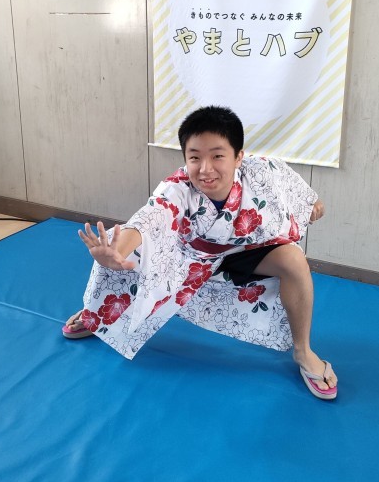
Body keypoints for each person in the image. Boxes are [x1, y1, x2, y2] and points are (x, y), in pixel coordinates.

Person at [63, 106, 337, 400]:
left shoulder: (262, 171)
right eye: (195, 157)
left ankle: (303, 351)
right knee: (128, 255)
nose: (205, 169)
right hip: (186, 254)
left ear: (239, 156)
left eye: (217, 156)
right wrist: (116, 251)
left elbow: (294, 188)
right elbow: (150, 218)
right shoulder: (177, 189)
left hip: (243, 249)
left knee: (294, 259)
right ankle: (97, 314)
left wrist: (312, 202)